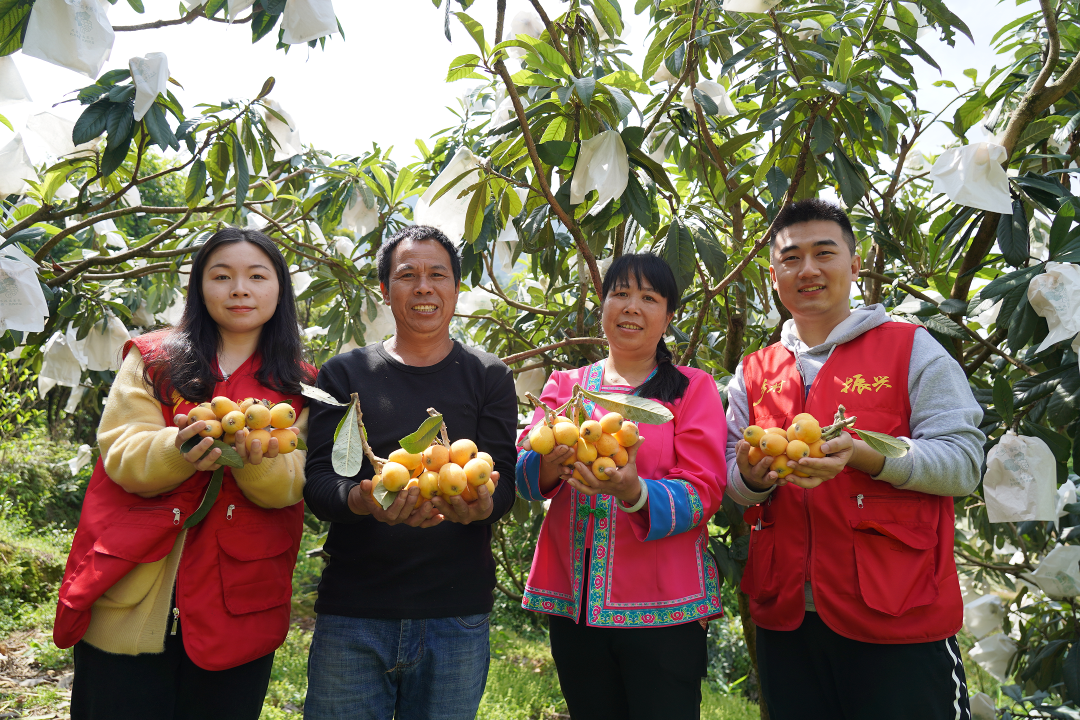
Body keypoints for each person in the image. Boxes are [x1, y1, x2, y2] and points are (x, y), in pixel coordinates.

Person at [724, 199, 986, 720]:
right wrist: (751, 477)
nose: (809, 270)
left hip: (895, 613)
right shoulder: (755, 370)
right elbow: (733, 472)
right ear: (773, 272)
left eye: (825, 253)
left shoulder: (912, 348)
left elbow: (963, 462)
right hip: (787, 618)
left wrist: (867, 456)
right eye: (791, 257)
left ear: (855, 263)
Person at [55, 227, 315, 720]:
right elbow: (123, 453)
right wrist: (180, 447)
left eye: (257, 276)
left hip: (240, 604)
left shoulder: (301, 385)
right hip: (132, 593)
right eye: (222, 276)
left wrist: (253, 459)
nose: (239, 288)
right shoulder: (153, 359)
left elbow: (291, 482)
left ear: (279, 289)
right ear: (199, 287)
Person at [302, 225, 518, 720]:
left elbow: (501, 480)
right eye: (407, 275)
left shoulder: (489, 376)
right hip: (354, 615)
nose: (424, 286)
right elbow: (320, 484)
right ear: (385, 290)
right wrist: (363, 499)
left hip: (456, 617)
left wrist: (483, 504)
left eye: (437, 274)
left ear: (456, 289)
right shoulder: (345, 375)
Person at [516, 253, 726, 720]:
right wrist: (550, 462)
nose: (632, 306)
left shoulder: (692, 390)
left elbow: (704, 490)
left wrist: (634, 491)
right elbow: (525, 475)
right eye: (621, 293)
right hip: (576, 607)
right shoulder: (567, 386)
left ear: (669, 316)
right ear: (602, 305)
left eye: (649, 298)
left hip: (665, 613)